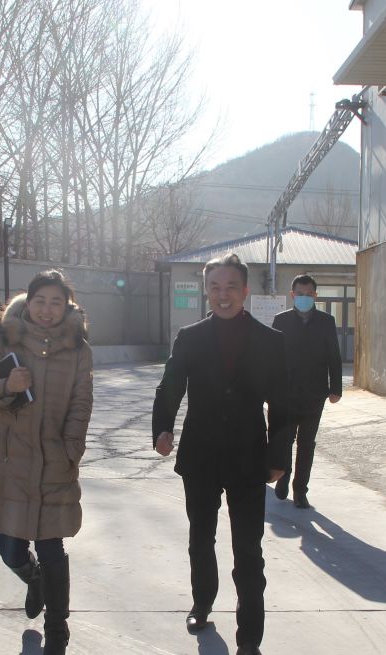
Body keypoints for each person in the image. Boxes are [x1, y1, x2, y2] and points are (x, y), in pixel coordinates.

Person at [152, 253, 287, 655]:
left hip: (249, 456)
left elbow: (282, 403)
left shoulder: (270, 341)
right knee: (200, 538)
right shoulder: (190, 337)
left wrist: (279, 456)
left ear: (245, 290)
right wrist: (162, 428)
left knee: (248, 549)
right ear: (206, 291)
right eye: (214, 287)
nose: (222, 294)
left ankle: (250, 636)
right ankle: (202, 604)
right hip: (201, 455)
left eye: (230, 287)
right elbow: (170, 386)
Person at [0, 270, 93, 655]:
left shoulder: (78, 348)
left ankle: (57, 628)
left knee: (52, 548)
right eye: (40, 300)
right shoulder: (6, 338)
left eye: (56, 302)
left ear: (67, 305)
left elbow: (81, 402)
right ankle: (34, 578)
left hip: (54, 462)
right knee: (9, 549)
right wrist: (7, 387)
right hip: (11, 462)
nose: (47, 309)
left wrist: (71, 450)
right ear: (29, 300)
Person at [270, 274, 342, 509]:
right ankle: (282, 477)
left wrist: (336, 388)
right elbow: (271, 357)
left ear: (315, 295)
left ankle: (300, 490)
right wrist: (268, 389)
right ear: (292, 295)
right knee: (285, 439)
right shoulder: (281, 320)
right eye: (300, 294)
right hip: (286, 393)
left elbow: (334, 355)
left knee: (306, 443)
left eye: (309, 294)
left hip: (314, 392)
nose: (304, 298)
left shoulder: (326, 321)